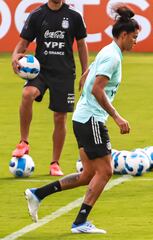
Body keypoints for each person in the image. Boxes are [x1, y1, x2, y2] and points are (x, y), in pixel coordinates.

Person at [24, 5, 139, 234]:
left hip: (82, 118)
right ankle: (80, 222)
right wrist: (117, 117)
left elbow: (91, 75)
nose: (136, 41)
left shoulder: (109, 52)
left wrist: (85, 78)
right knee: (105, 172)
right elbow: (98, 89)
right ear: (123, 35)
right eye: (134, 37)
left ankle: (38, 194)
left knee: (88, 174)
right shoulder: (113, 57)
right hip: (92, 120)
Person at [11, 0, 88, 176]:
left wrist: (85, 72)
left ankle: (55, 163)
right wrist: (15, 57)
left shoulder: (74, 16)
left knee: (60, 118)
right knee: (27, 93)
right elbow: (23, 43)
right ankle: (24, 142)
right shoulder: (37, 15)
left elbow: (82, 45)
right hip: (41, 71)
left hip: (64, 73)